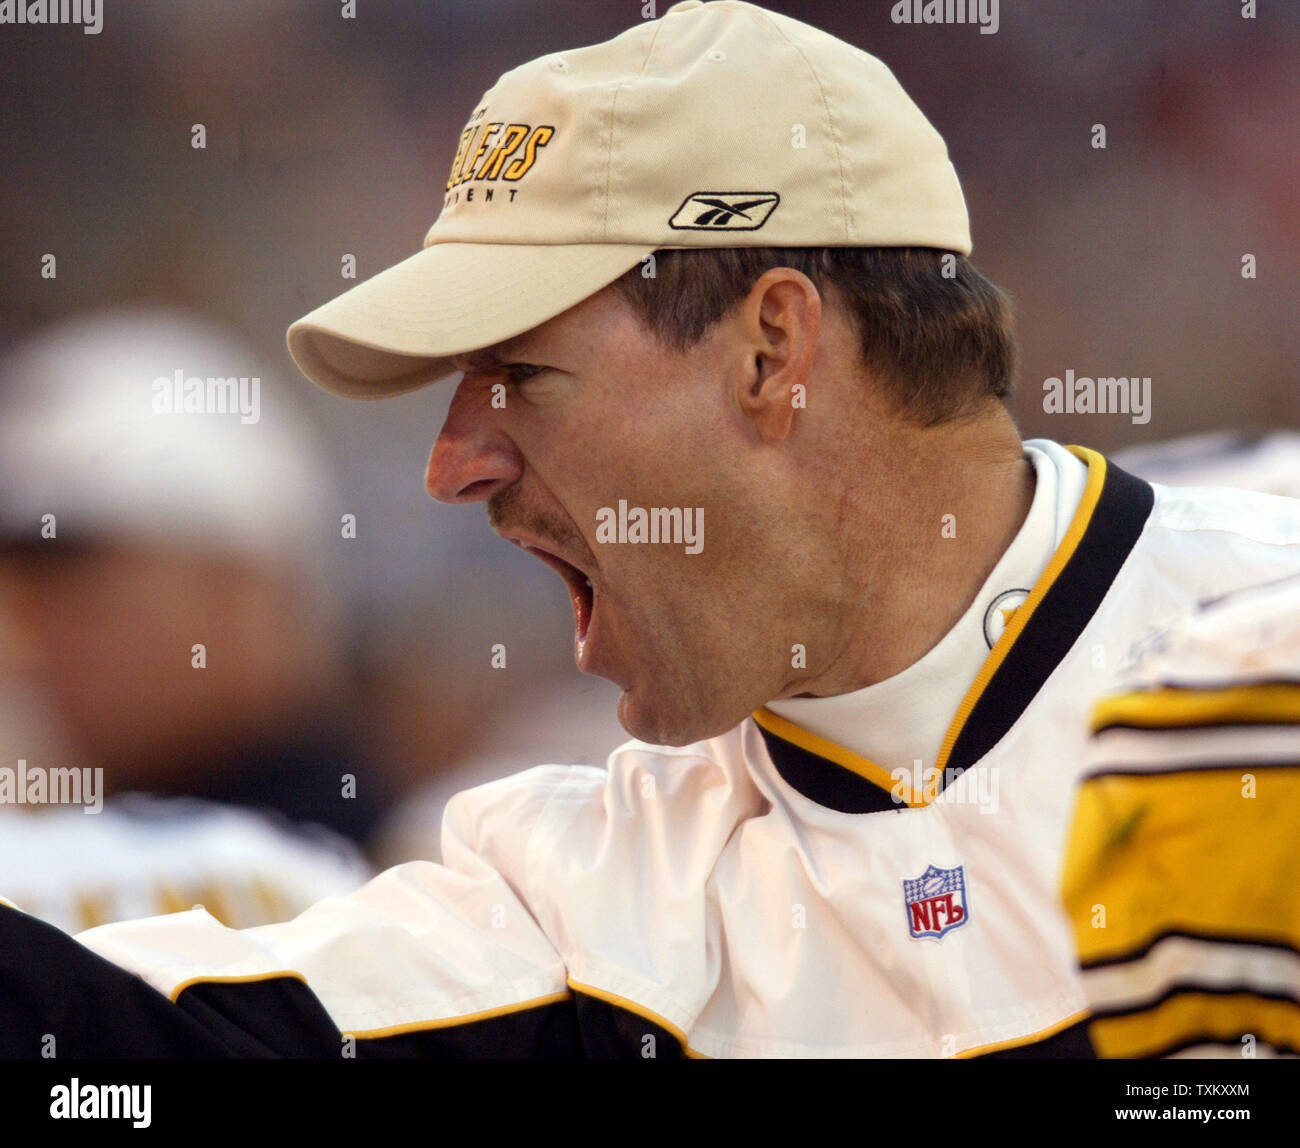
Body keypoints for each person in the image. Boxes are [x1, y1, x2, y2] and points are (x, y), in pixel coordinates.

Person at [2, 0, 1298, 1058]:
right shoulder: (582, 899)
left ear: (771, 348)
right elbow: (125, 1044)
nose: (454, 465)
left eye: (520, 374)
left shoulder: (1261, 673)